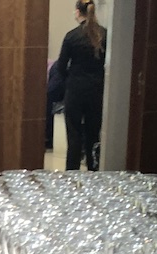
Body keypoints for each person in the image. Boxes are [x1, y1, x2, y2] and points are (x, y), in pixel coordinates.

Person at [55, 0, 107, 172]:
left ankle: (72, 174)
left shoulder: (71, 36)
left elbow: (60, 67)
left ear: (77, 12)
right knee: (93, 136)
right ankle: (94, 172)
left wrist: (69, 79)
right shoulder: (104, 34)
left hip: (75, 90)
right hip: (96, 90)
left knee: (74, 136)